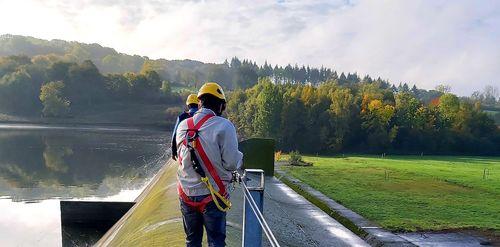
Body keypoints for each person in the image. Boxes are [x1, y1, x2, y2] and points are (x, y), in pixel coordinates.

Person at [175, 82, 243, 247]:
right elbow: (231, 163)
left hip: (186, 194)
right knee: (216, 242)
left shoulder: (183, 125)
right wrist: (241, 158)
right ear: (222, 105)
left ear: (200, 103)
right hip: (212, 195)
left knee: (192, 241)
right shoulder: (224, 126)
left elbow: (179, 155)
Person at [171, 94, 199, 161]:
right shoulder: (203, 117)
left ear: (188, 105)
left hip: (185, 150)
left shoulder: (182, 117)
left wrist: (173, 151)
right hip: (202, 150)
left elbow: (175, 135)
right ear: (199, 104)